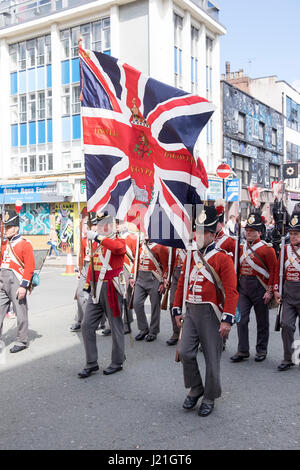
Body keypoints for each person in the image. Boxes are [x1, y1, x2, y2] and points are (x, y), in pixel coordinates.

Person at [172, 206, 238, 417]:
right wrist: (176, 308)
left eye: (202, 232)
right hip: (191, 310)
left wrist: (227, 319)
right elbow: (182, 282)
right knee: (185, 352)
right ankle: (196, 387)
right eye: (196, 231)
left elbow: (231, 291)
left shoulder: (223, 258)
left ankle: (209, 396)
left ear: (212, 234)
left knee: (211, 357)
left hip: (211, 313)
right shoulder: (191, 255)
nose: (198, 236)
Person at [78, 214, 126, 378]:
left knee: (115, 326)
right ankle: (91, 363)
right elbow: (92, 265)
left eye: (104, 224)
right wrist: (86, 287)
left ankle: (117, 361)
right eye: (99, 224)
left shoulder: (117, 240)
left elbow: (117, 249)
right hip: (96, 288)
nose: (100, 227)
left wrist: (97, 237)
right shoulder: (97, 242)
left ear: (111, 225)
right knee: (86, 325)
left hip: (111, 287)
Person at [230, 213, 277, 363]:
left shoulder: (266, 249)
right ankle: (243, 349)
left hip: (260, 288)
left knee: (262, 321)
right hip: (243, 288)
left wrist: (270, 290)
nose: (248, 232)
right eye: (247, 230)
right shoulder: (241, 247)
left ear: (259, 232)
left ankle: (261, 350)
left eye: (252, 230)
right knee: (241, 319)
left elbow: (274, 271)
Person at [0, 209, 35, 353]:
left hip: (17, 281)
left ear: (16, 228)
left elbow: (30, 266)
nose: (5, 229)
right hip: (2, 278)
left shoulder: (25, 244)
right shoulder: (3, 244)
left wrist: (24, 286)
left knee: (20, 312)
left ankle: (22, 340)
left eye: (8, 227)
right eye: (5, 226)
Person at [274, 210, 300, 371]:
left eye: (296, 233)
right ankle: (288, 357)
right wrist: (276, 289)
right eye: (291, 233)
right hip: (289, 294)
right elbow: (278, 271)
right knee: (287, 325)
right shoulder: (285, 250)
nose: (293, 236)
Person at [130, 236, 169, 342]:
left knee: (155, 307)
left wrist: (163, 281)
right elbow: (136, 261)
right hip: (140, 278)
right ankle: (143, 329)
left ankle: (153, 331)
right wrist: (132, 275)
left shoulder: (161, 247)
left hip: (155, 279)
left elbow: (166, 266)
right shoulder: (141, 245)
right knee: (136, 303)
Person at [70, 213, 98, 332]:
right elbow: (81, 255)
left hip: (97, 267)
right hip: (86, 267)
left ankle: (101, 322)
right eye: (89, 225)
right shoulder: (84, 240)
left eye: (94, 225)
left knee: (98, 295)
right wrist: (80, 269)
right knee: (81, 293)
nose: (92, 227)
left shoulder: (101, 239)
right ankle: (82, 320)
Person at [166, 248, 186, 346]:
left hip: (189, 273)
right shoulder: (175, 241)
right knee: (173, 304)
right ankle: (176, 332)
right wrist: (167, 276)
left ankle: (190, 335)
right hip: (176, 272)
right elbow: (170, 260)